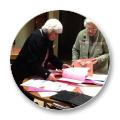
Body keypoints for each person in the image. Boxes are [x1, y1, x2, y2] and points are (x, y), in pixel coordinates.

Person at [11, 18, 70, 86]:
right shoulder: (35, 38)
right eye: (56, 34)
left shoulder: (49, 37)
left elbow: (50, 56)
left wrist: (61, 65)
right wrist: (46, 74)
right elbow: (32, 63)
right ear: (49, 30)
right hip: (22, 74)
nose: (56, 36)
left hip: (34, 73)